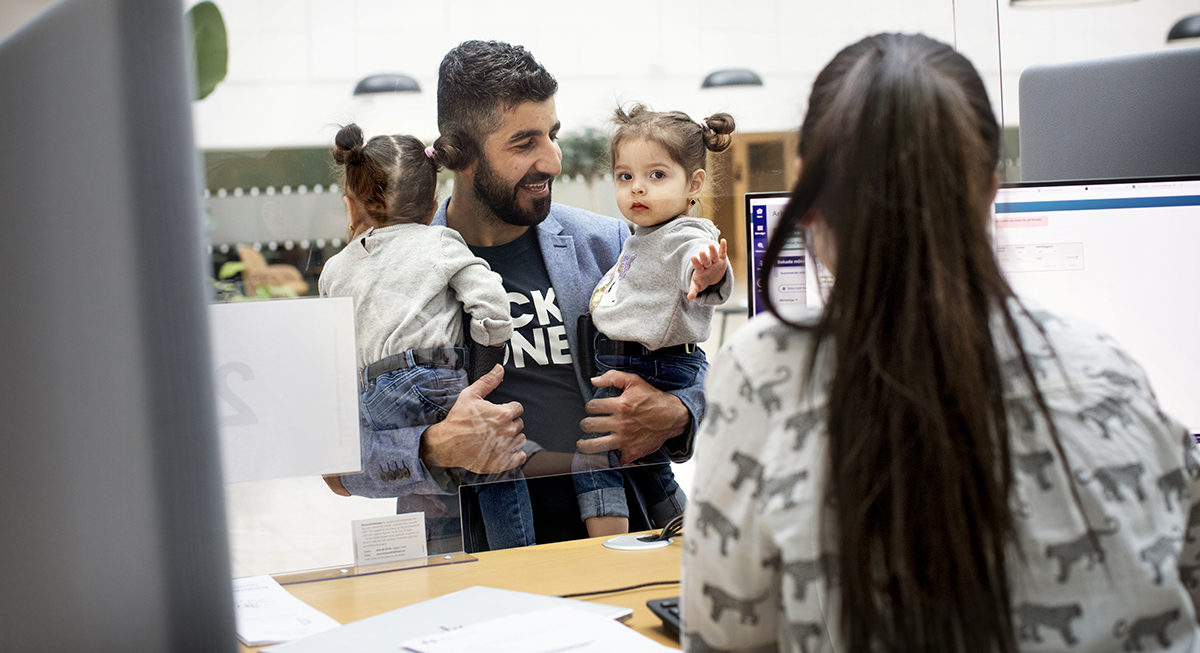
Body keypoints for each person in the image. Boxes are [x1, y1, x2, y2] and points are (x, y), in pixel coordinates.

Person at [682, 33, 1200, 652]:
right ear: (989, 190)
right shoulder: (1107, 368)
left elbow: (724, 639)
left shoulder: (764, 370)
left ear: (807, 190)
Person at [331, 40, 706, 552]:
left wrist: (677, 412)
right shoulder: (376, 277)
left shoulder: (616, 246)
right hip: (467, 559)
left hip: (625, 540)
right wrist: (433, 447)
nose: (551, 160)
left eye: (553, 134)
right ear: (459, 154)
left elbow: (691, 367)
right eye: (524, 142)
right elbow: (336, 465)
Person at [318, 124, 535, 551]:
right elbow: (491, 306)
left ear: (352, 203)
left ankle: (436, 563)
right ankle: (518, 560)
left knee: (423, 481)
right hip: (431, 375)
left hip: (371, 393)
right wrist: (479, 369)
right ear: (431, 206)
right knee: (496, 461)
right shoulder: (440, 241)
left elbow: (337, 352)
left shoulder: (334, 269)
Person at [574, 105, 735, 538]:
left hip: (653, 364)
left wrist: (708, 272)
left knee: (596, 455)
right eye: (625, 177)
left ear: (693, 183)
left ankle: (602, 546)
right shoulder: (642, 236)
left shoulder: (685, 234)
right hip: (647, 362)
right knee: (648, 466)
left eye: (657, 175)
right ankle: (683, 532)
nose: (637, 188)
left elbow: (697, 264)